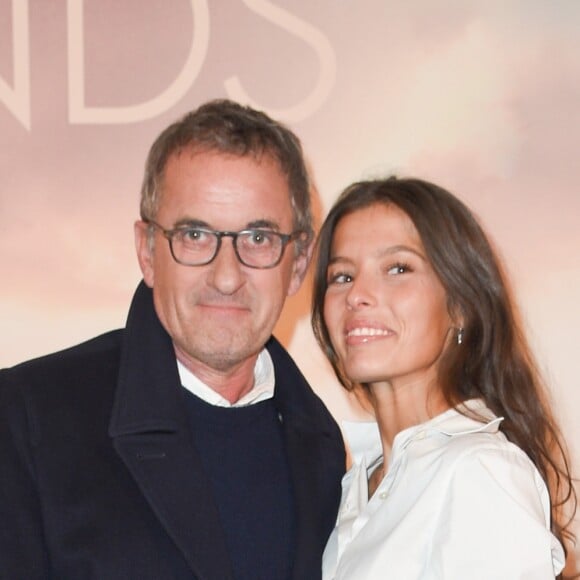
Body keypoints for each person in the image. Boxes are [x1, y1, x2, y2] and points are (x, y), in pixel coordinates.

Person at [0, 99, 345, 580]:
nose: (227, 277)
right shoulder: (28, 417)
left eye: (259, 239)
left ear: (299, 264)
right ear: (146, 252)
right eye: (196, 235)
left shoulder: (323, 448)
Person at [311, 176, 576, 579]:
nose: (357, 295)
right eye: (342, 276)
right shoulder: (355, 485)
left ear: (461, 306)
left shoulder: (479, 469)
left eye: (397, 268)